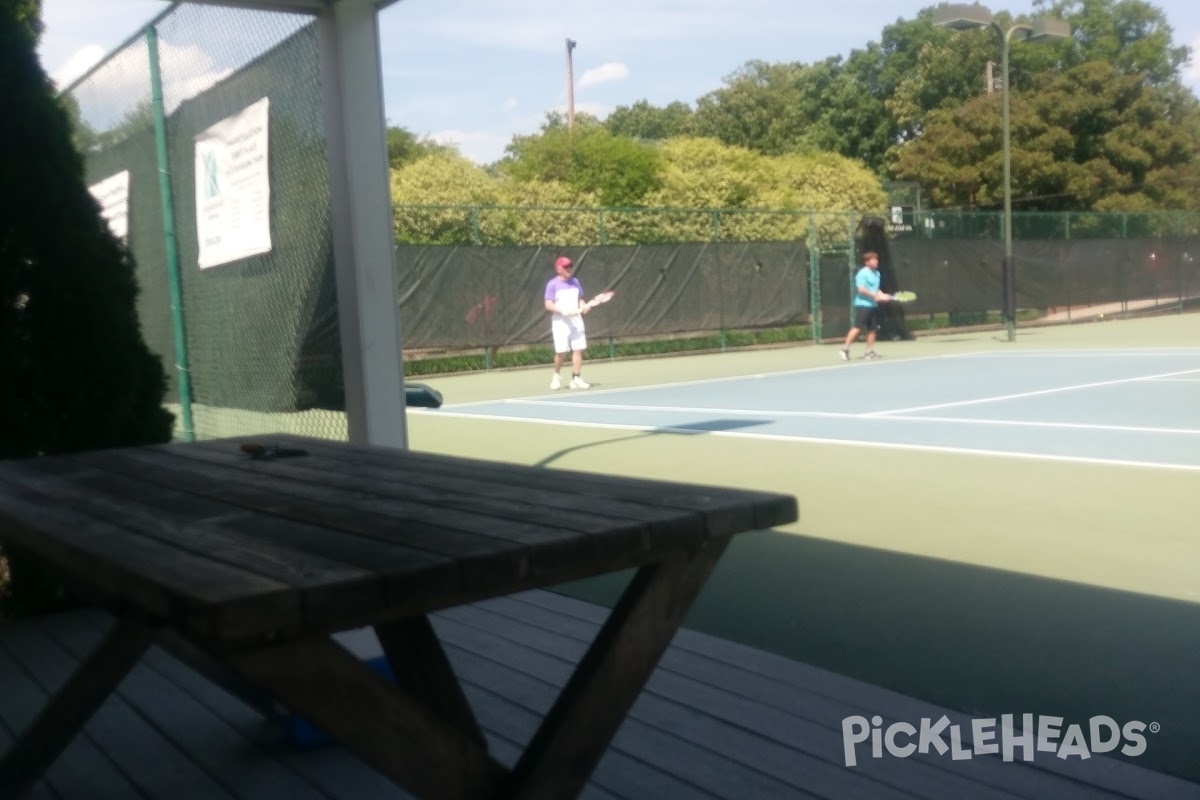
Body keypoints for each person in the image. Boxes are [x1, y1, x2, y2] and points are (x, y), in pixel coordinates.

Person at [544, 255, 591, 389]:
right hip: (560, 322)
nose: (569, 268)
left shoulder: (575, 282)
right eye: (565, 267)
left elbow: (580, 299)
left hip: (576, 321)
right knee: (561, 351)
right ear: (559, 269)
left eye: (570, 266)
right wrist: (563, 311)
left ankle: (576, 377)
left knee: (578, 348)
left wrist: (584, 306)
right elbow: (548, 304)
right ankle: (556, 375)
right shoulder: (552, 284)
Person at [840, 250, 893, 361]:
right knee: (858, 328)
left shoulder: (877, 273)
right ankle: (844, 349)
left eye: (876, 259)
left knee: (872, 329)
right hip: (863, 305)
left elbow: (876, 289)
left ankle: (869, 352)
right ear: (867, 262)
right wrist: (874, 296)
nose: (876, 261)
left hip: (872, 306)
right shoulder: (862, 273)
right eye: (873, 259)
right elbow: (861, 289)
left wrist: (883, 295)